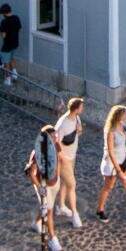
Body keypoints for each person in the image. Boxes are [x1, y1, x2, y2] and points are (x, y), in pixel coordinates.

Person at [26, 123, 64, 251]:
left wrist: (58, 175)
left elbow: (58, 160)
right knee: (49, 211)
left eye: (55, 137)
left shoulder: (56, 146)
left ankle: (36, 222)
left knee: (47, 208)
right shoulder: (37, 152)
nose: (55, 139)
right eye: (52, 137)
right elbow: (32, 173)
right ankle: (52, 238)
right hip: (44, 185)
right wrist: (40, 187)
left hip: (54, 182)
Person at [53, 97, 87, 228]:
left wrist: (79, 130)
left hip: (72, 157)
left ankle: (61, 206)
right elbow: (55, 142)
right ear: (76, 109)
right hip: (64, 160)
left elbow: (79, 133)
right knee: (72, 185)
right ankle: (74, 214)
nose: (82, 109)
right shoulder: (63, 124)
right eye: (81, 107)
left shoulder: (77, 119)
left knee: (65, 184)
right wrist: (62, 157)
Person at [0, 4, 22, 81]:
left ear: (4, 13)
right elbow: (19, 28)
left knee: (5, 61)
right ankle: (15, 73)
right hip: (15, 42)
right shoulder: (16, 18)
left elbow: (3, 35)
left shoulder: (4, 22)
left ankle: (8, 78)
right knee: (11, 57)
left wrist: (0, 31)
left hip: (7, 44)